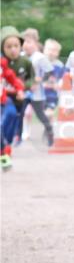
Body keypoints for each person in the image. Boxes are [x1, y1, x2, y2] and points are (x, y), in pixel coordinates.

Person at [20, 29, 55, 146]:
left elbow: (49, 71)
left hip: (37, 93)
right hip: (23, 92)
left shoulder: (39, 57)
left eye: (29, 41)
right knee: (19, 113)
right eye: (24, 42)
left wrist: (41, 80)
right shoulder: (20, 56)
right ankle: (17, 136)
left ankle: (50, 133)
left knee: (41, 115)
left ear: (35, 42)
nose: (26, 44)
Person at [1, 27, 34, 149]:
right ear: (2, 48)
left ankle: (13, 139)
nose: (13, 50)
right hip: (4, 96)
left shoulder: (25, 62)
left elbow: (32, 78)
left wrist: (24, 87)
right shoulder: (2, 62)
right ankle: (3, 142)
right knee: (7, 116)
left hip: (19, 96)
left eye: (16, 46)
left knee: (17, 118)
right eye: (8, 47)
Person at [1, 41, 26, 171]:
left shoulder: (2, 63)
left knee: (11, 115)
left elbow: (11, 77)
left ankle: (6, 147)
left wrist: (20, 89)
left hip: (2, 101)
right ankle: (3, 154)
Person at [42, 39, 65, 111]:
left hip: (53, 95)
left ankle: (50, 122)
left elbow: (62, 79)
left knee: (49, 113)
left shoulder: (59, 65)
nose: (51, 52)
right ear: (44, 50)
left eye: (54, 50)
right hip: (40, 94)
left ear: (58, 53)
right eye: (49, 49)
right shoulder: (40, 63)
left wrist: (59, 85)